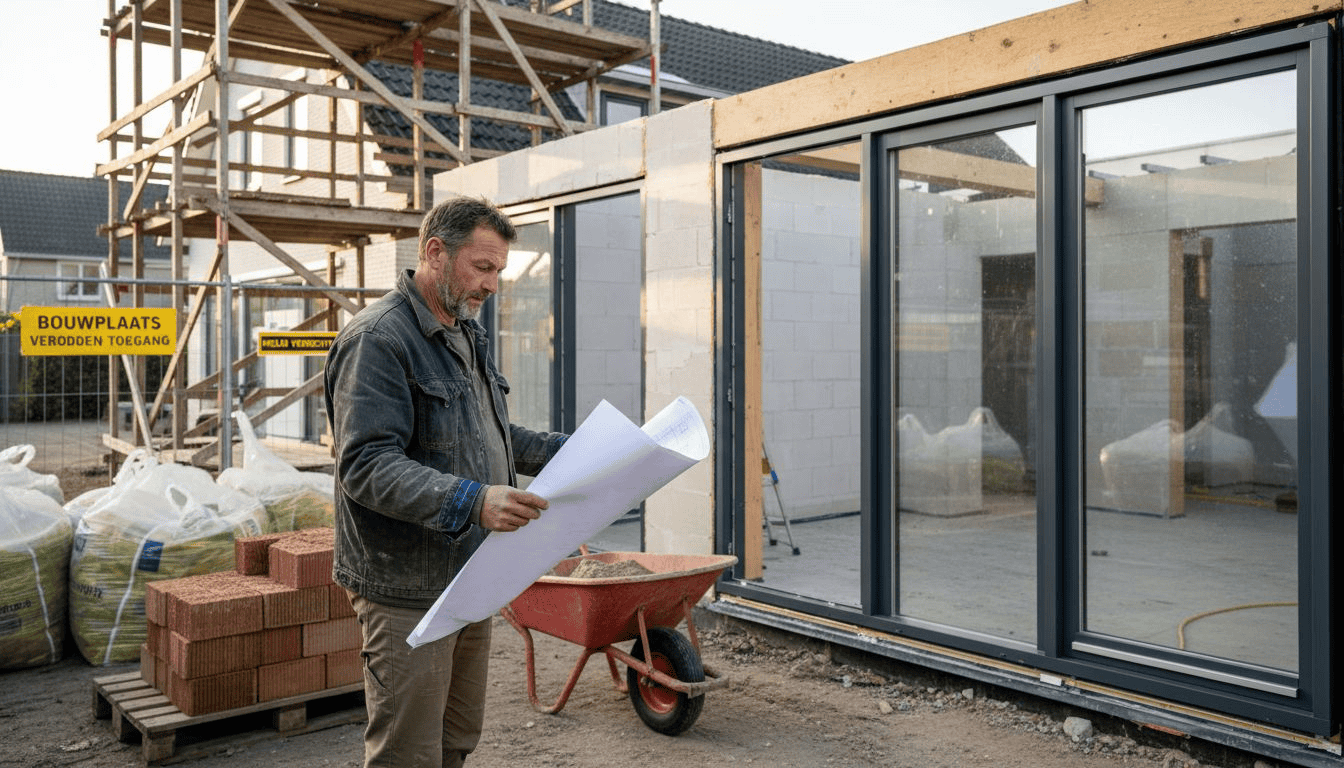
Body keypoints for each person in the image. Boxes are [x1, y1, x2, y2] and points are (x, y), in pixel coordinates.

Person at [324, 195, 568, 768]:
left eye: (500, 270)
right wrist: (474, 500)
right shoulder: (379, 340)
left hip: (467, 574)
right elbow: (365, 466)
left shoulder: (463, 332)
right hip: (405, 587)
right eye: (483, 268)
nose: (493, 285)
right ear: (435, 253)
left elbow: (494, 433)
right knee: (409, 753)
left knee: (456, 739)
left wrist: (585, 453)